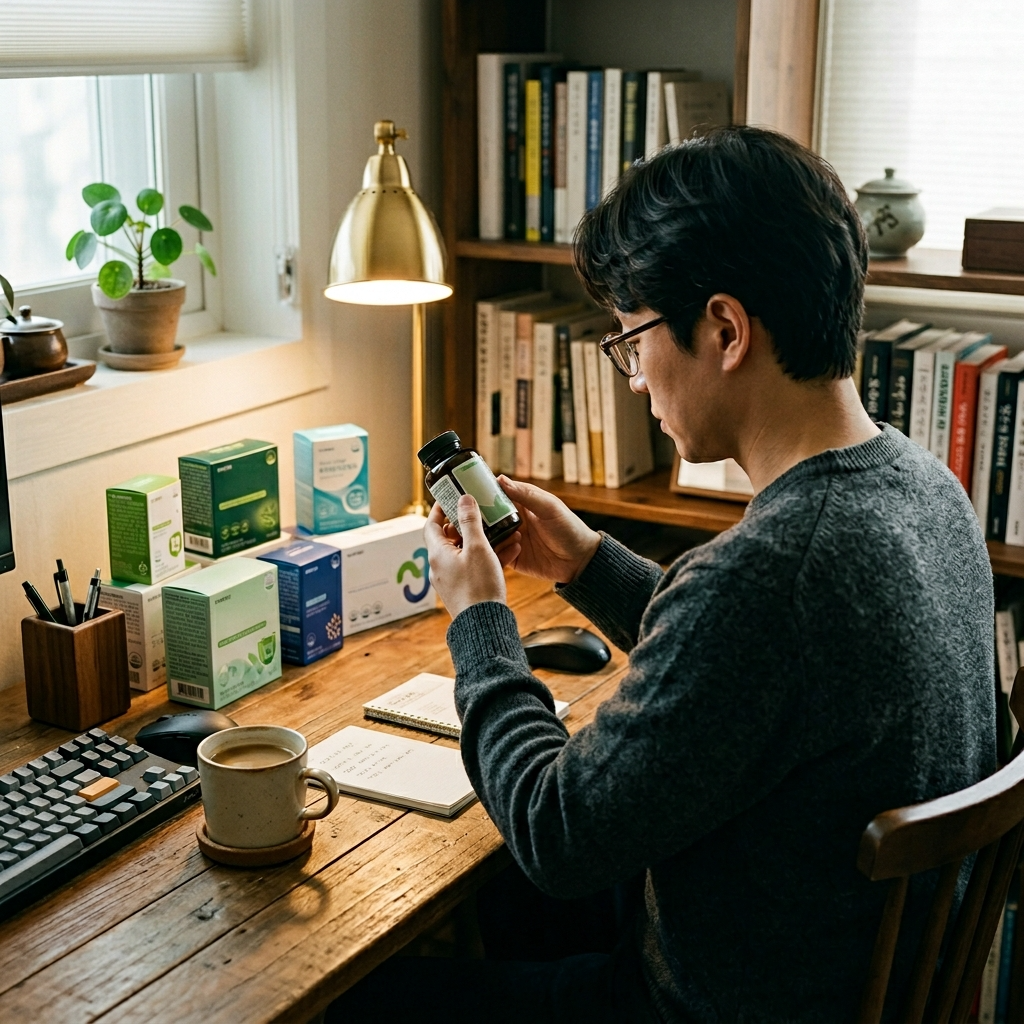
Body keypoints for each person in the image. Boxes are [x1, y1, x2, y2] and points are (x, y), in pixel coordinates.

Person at [328, 126, 996, 1022]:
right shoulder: (925, 486)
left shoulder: (770, 574)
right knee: (504, 903)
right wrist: (586, 560)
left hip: (711, 1006)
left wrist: (481, 619)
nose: (634, 376)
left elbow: (554, 830)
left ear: (724, 328)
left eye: (631, 338)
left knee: (356, 996)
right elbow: (754, 678)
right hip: (830, 958)